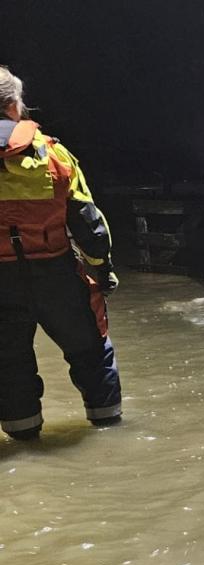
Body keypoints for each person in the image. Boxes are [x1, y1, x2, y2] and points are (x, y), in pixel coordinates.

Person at [0, 66, 122, 440]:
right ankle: (110, 436)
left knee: (9, 366)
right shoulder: (53, 154)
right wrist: (102, 270)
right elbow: (87, 220)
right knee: (90, 352)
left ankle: (24, 441)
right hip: (56, 273)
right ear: (14, 105)